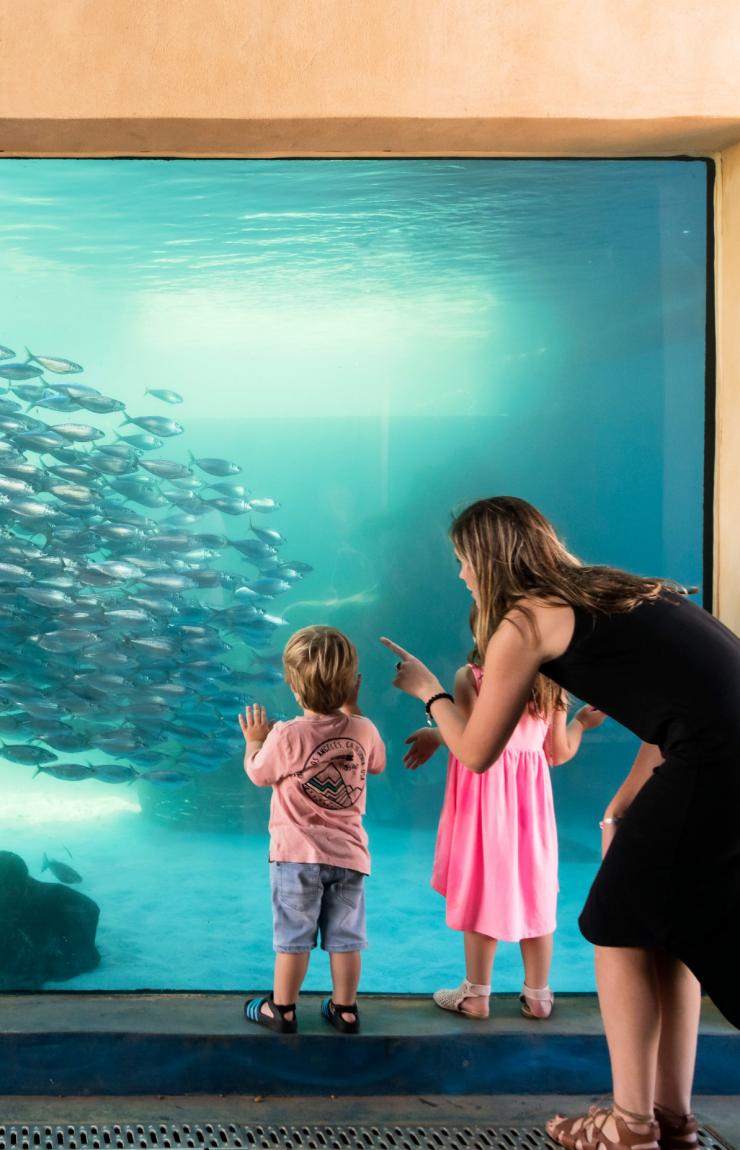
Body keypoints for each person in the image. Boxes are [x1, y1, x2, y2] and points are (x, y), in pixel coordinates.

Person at [381, 496, 740, 1150]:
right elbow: (677, 708)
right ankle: (672, 1121)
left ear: (489, 559)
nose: (461, 574)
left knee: (614, 923)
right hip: (717, 754)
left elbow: (478, 752)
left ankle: (631, 1127)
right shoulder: (616, 592)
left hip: (715, 761)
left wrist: (430, 692)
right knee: (668, 928)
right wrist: (622, 806)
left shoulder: (526, 619)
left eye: (463, 560)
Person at [404, 609, 605, 1022]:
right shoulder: (550, 683)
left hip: (484, 801)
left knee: (482, 887)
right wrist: (580, 725)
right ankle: (538, 995)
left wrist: (436, 732)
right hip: (531, 807)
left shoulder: (470, 678)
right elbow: (557, 752)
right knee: (536, 889)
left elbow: (472, 738)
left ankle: (476, 994)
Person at [240, 624, 385, 1035]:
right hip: (349, 857)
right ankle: (346, 1010)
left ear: (293, 686)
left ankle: (282, 1009)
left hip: (296, 858)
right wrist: (352, 710)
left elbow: (259, 774)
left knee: (294, 938)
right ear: (352, 684)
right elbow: (376, 764)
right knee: (346, 939)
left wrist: (254, 742)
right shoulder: (363, 728)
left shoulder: (286, 734)